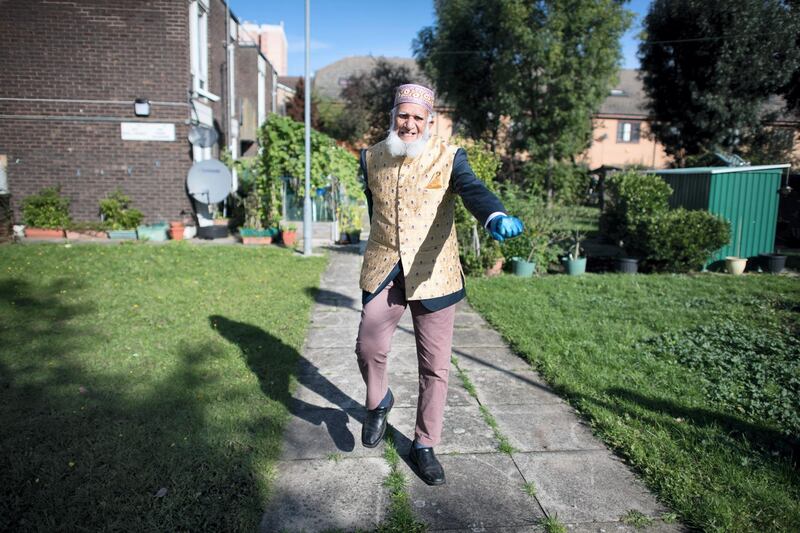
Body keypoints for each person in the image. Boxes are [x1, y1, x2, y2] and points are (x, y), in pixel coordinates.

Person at [355, 83, 523, 485]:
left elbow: (472, 190)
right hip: (384, 267)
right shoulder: (370, 157)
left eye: (418, 118)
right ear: (393, 116)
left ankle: (425, 444)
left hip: (434, 272)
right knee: (368, 345)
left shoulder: (450, 157)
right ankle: (378, 403)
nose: (409, 124)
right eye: (403, 115)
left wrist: (493, 214)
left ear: (430, 121)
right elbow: (374, 206)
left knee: (435, 367)